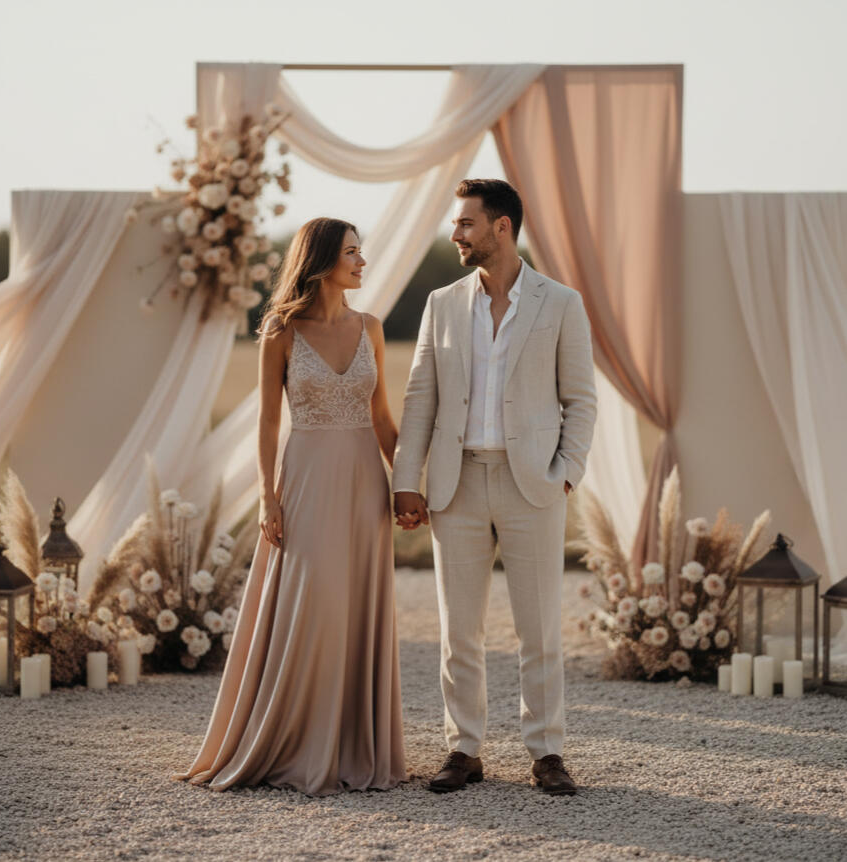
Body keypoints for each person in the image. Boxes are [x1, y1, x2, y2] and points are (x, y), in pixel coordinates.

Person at [172, 217, 407, 796]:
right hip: (304, 480)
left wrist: (409, 482)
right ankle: (297, 738)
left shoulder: (371, 327)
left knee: (355, 607)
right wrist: (267, 497)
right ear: (323, 259)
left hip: (363, 483)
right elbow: (268, 423)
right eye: (353, 252)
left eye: (362, 252)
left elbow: (380, 418)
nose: (362, 262)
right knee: (315, 603)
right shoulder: (281, 330)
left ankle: (353, 742)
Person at [392, 179, 596, 796]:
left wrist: (566, 472)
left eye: (466, 224)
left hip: (532, 482)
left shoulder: (561, 302)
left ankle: (547, 752)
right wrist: (407, 480)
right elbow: (420, 397)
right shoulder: (441, 303)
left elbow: (581, 399)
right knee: (460, 629)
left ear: (501, 227)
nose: (456, 234)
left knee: (539, 627)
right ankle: (463, 750)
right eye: (457, 225)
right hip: (456, 484)